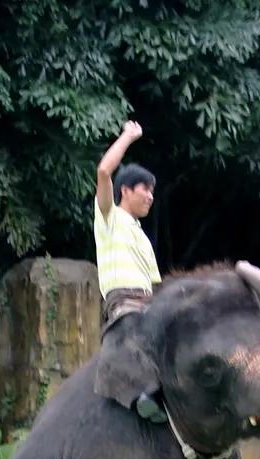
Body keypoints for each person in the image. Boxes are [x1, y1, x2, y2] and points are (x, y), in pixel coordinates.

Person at [94, 120, 165, 421]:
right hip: (123, 304)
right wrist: (128, 136)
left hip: (149, 305)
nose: (150, 195)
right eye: (144, 189)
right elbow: (103, 171)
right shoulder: (109, 217)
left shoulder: (143, 238)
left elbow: (156, 286)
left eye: (152, 191)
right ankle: (142, 397)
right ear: (125, 190)